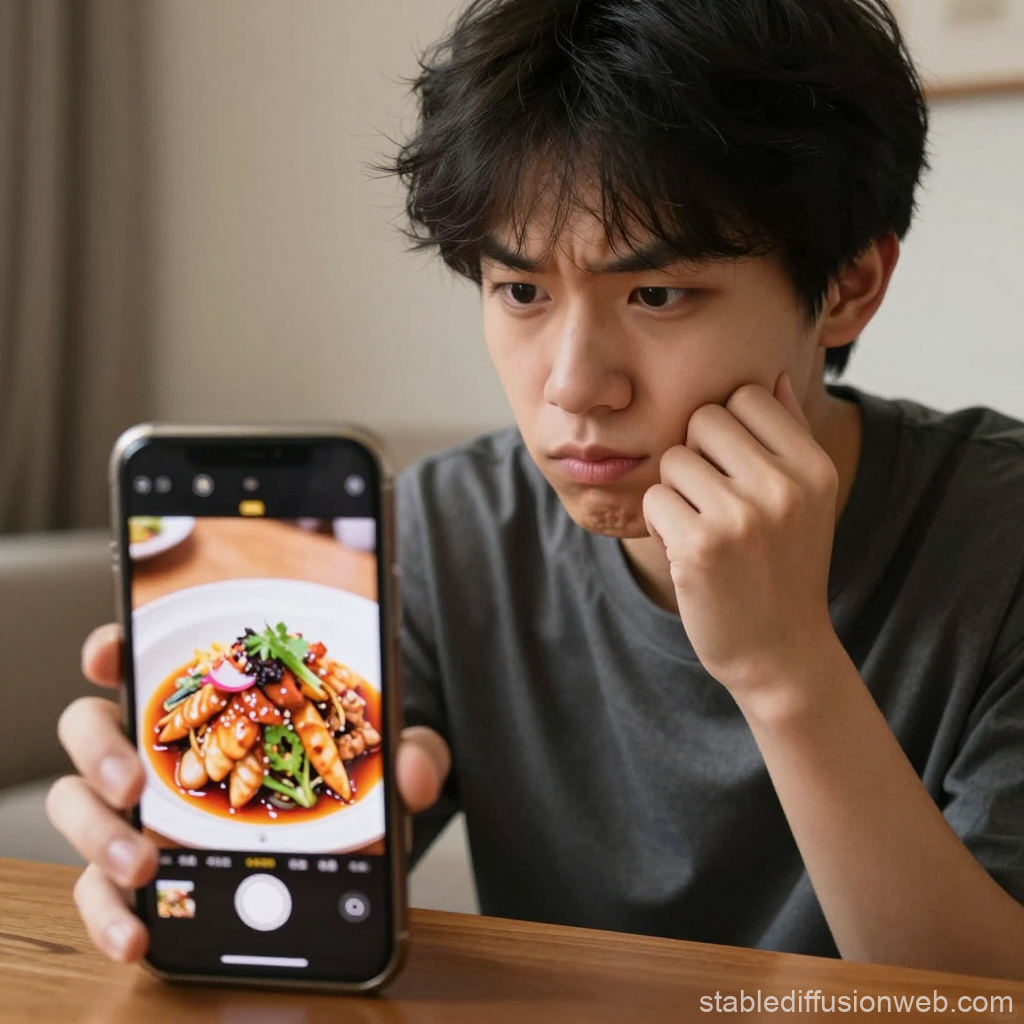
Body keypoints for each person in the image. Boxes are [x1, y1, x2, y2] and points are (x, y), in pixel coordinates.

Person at [47, 0, 1024, 979]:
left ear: (849, 285)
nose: (571, 386)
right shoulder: (451, 533)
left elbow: (980, 998)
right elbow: (301, 914)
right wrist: (178, 840)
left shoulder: (996, 539)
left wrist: (782, 665)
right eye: (521, 291)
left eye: (656, 294)